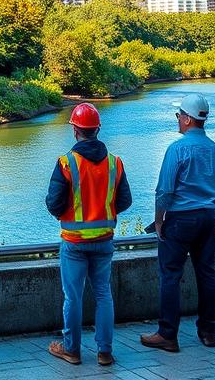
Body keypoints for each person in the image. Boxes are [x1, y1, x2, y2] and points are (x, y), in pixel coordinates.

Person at [140, 92, 215, 354]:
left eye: (179, 115)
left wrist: (159, 221)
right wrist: (211, 207)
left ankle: (167, 334)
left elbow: (164, 191)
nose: (178, 119)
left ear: (189, 119)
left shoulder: (176, 149)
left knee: (170, 275)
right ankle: (208, 332)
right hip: (207, 218)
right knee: (207, 272)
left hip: (180, 220)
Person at [45, 102, 131, 366]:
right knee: (103, 294)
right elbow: (125, 201)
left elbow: (53, 203)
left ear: (75, 131)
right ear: (96, 130)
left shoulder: (66, 163)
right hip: (104, 240)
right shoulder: (115, 163)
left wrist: (70, 214)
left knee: (73, 296)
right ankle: (105, 352)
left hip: (74, 243)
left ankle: (71, 349)